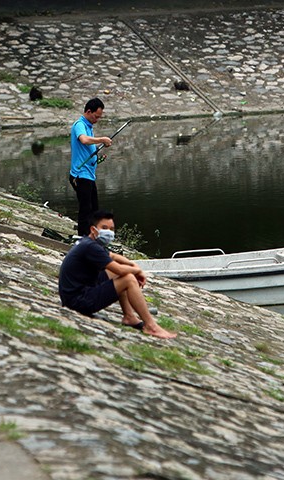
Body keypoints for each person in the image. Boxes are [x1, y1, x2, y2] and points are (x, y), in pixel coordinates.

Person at [59, 210, 177, 339]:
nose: (109, 232)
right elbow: (120, 270)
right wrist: (138, 271)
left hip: (74, 295)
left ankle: (130, 317)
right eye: (104, 228)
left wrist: (134, 266)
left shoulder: (88, 242)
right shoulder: (91, 247)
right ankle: (151, 326)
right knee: (128, 279)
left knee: (116, 272)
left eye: (111, 229)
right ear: (93, 229)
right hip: (78, 301)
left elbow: (113, 256)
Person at [69, 97, 112, 237]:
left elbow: (87, 149)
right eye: (96, 116)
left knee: (94, 209)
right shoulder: (79, 124)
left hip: (88, 175)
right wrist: (102, 139)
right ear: (88, 111)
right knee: (85, 209)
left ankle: (92, 236)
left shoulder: (89, 127)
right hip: (80, 175)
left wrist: (97, 159)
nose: (97, 119)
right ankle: (83, 237)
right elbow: (84, 140)